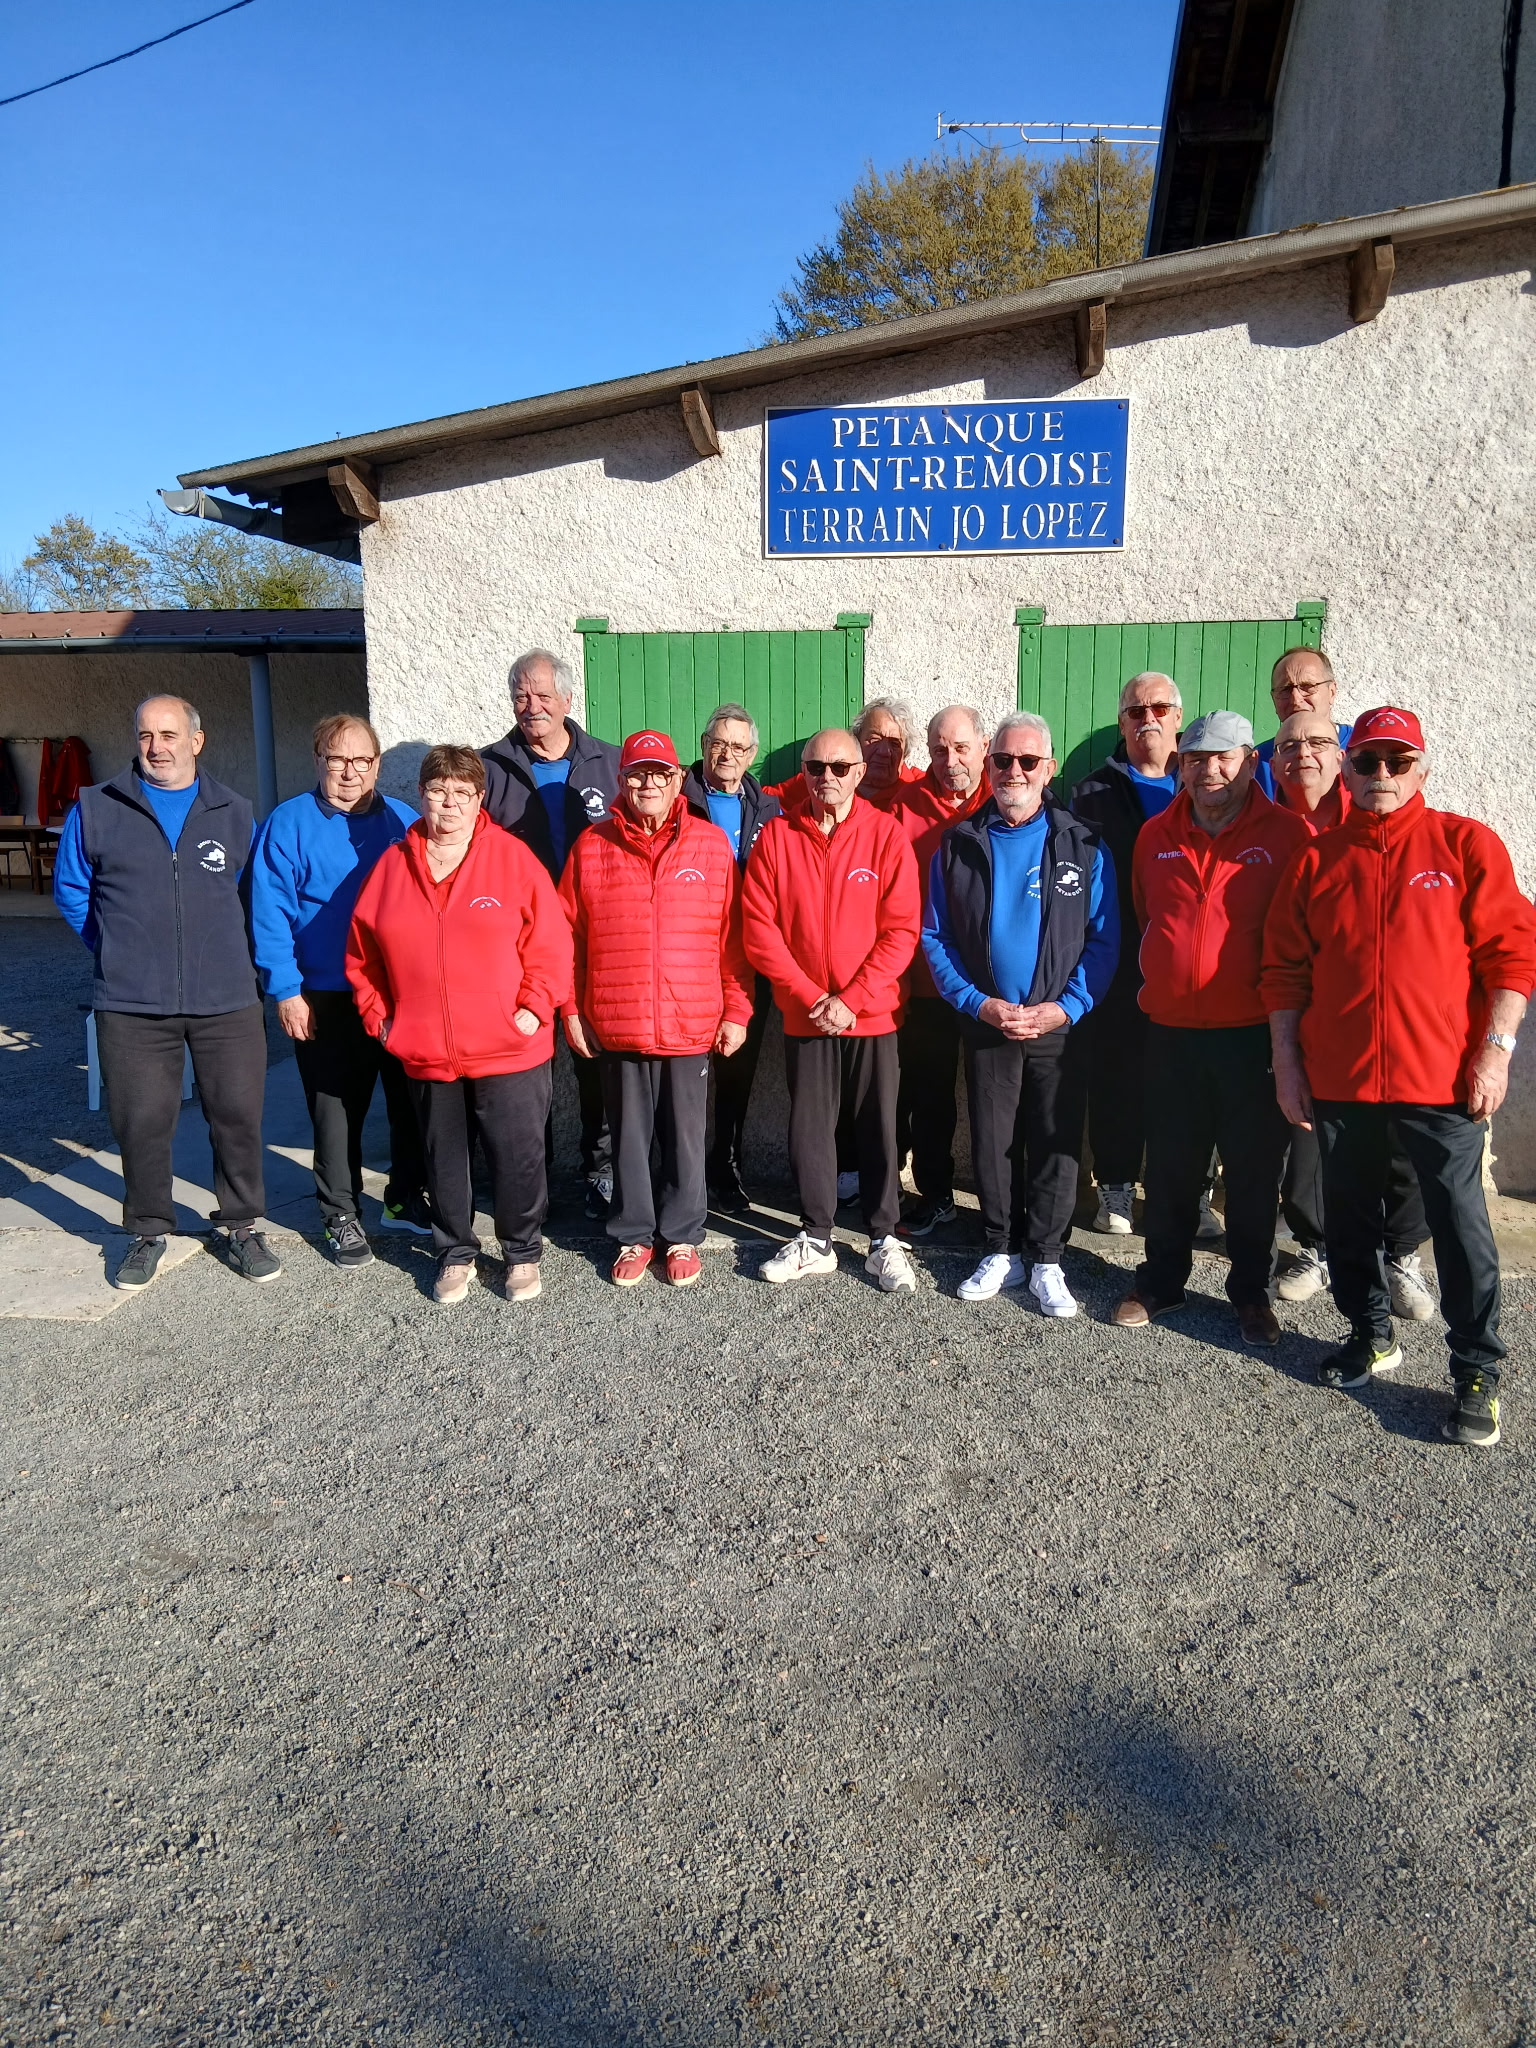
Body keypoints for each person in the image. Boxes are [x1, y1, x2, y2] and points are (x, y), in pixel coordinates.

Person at [1263, 707, 1536, 1446]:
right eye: (1367, 760)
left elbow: (1512, 955)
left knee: (1460, 1227)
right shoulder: (1317, 860)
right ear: (1346, 770)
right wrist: (1287, 1063)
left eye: (1398, 760)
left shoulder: (1465, 844)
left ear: (1422, 768)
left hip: (1443, 1082)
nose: (1381, 773)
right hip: (1342, 1079)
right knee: (1349, 1215)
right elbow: (1284, 971)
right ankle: (1371, 1333)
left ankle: (1476, 1368)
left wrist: (1496, 1050)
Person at [51, 695, 280, 1289]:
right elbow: (72, 891)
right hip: (131, 1003)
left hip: (226, 997)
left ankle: (242, 1224)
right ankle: (148, 1229)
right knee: (142, 1121)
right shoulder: (97, 808)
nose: (156, 748)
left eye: (170, 735)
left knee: (237, 1116)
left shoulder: (234, 811)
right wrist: (116, 949)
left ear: (196, 742)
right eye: (146, 735)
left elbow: (254, 898)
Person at [346, 746, 573, 1306]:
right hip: (426, 1048)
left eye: (461, 793)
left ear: (479, 799)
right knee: (442, 1158)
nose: (448, 803)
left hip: (509, 1045)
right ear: (421, 795)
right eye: (437, 791)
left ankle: (522, 1251)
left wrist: (534, 1006)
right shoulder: (393, 866)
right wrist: (381, 1018)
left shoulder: (512, 859)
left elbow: (551, 942)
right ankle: (454, 1251)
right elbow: (363, 954)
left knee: (517, 1155)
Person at [1111, 710, 1309, 1344]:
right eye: (1196, 759)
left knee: (1253, 1173)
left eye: (1224, 757)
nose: (1209, 770)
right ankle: (1161, 1283)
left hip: (1254, 1035)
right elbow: (1147, 915)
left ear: (1251, 761)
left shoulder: (1289, 836)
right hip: (1171, 1032)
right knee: (1171, 1166)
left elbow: (1302, 935)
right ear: (1181, 766)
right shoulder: (1155, 835)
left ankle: (1251, 1293)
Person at [923, 712, 1119, 1315]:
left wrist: (1067, 1007)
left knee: (1055, 1140)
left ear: (1049, 768)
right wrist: (977, 1003)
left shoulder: (1084, 844)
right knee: (993, 1140)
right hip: (990, 1024)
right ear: (989, 766)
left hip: (1057, 1026)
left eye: (1028, 761)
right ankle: (1000, 1248)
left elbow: (1104, 939)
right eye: (1003, 760)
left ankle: (1048, 1259)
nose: (1015, 771)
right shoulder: (957, 843)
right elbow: (935, 937)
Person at [560, 730, 753, 1287]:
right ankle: (633, 1235)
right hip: (616, 1022)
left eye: (660, 774)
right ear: (621, 781)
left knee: (687, 1138)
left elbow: (732, 938)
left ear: (677, 780)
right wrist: (570, 1010)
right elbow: (566, 938)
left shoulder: (710, 846)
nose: (649, 783)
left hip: (690, 1020)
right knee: (627, 1138)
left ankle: (682, 1234)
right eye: (637, 773)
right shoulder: (591, 846)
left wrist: (737, 1010)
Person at [1267, 708, 1434, 1319]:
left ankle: (1402, 1255)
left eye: (1318, 743)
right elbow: (1285, 954)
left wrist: (1493, 1044)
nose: (1380, 773)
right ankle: (1317, 1249)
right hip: (1321, 1029)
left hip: (1412, 1035)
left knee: (1402, 1153)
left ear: (1338, 760)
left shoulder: (1383, 814)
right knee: (1313, 1149)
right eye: (1290, 746)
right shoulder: (1276, 826)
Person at [742, 728, 921, 1291]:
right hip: (808, 1014)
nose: (827, 778)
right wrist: (811, 996)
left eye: (840, 767)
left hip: (872, 1013)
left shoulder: (885, 835)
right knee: (811, 1129)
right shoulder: (778, 837)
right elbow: (759, 928)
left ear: (859, 772)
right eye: (816, 767)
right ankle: (816, 1237)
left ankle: (883, 1238)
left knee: (879, 1126)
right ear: (804, 772)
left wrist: (852, 999)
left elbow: (901, 931)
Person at [248, 714, 428, 1268]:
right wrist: (285, 990)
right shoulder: (288, 823)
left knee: (410, 1103)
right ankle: (340, 1213)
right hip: (325, 992)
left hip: (397, 993)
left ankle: (403, 1198)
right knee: (335, 1113)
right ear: (319, 760)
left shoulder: (404, 821)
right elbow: (269, 913)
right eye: (337, 759)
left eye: (361, 760)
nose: (350, 772)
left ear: (377, 765)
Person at [1071, 671, 1223, 1238]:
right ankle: (1115, 1187)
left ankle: (1192, 1194)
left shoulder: (1207, 782)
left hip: (1194, 967)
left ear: (1179, 717)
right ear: (1122, 722)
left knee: (1193, 1085)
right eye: (1136, 711)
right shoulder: (1090, 792)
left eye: (1160, 708)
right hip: (1117, 962)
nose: (1148, 719)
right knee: (1116, 1078)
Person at [480, 648, 621, 1216]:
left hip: (595, 942)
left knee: (596, 1059)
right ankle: (527, 1181)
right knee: (524, 1064)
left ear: (567, 698)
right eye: (521, 695)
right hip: (520, 948)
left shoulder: (610, 763)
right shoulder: (488, 769)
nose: (532, 705)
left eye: (542, 694)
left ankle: (601, 1171)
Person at [890, 705, 992, 1238]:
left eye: (960, 748)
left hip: (992, 986)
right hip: (927, 981)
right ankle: (936, 1196)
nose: (950, 760)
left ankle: (1001, 1206)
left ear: (983, 747)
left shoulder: (1005, 800)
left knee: (994, 1098)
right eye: (938, 750)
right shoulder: (904, 807)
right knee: (928, 1096)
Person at [681, 702, 781, 1212]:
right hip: (688, 958)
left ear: (752, 753)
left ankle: (726, 1166)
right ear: (703, 746)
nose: (728, 754)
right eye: (718, 743)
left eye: (739, 747)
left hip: (750, 959)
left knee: (737, 1071)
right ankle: (681, 1173)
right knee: (684, 1073)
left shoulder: (769, 810)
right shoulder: (678, 798)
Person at [1254, 648, 1351, 798]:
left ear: (1331, 692)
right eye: (1285, 689)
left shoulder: (1363, 749)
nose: (1296, 699)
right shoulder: (1257, 763)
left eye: (1307, 687)